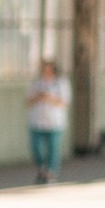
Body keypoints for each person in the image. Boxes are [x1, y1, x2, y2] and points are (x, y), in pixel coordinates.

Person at [25, 56, 68, 184]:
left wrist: (48, 97)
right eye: (44, 69)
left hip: (54, 122)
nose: (46, 72)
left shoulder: (61, 83)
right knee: (36, 148)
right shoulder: (36, 83)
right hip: (36, 121)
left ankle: (50, 173)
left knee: (53, 150)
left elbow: (64, 102)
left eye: (49, 69)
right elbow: (27, 100)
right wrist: (38, 97)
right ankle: (41, 169)